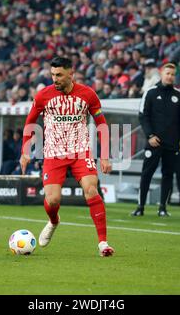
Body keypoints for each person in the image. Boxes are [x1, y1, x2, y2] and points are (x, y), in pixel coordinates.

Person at [20, 56, 114, 257]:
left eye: (59, 75)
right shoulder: (43, 95)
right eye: (53, 74)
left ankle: (103, 243)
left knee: (91, 189)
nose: (55, 79)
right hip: (54, 153)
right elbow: (30, 122)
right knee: (53, 200)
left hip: (80, 152)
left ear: (71, 74)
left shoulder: (88, 94)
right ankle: (54, 221)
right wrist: (25, 152)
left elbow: (102, 124)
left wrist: (105, 155)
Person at [131, 63, 180, 218]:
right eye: (167, 73)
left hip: (172, 144)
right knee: (146, 174)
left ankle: (163, 207)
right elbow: (143, 116)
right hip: (153, 142)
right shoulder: (150, 93)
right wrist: (150, 135)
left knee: (168, 175)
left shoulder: (179, 95)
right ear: (162, 74)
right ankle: (140, 206)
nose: (170, 76)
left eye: (172, 74)